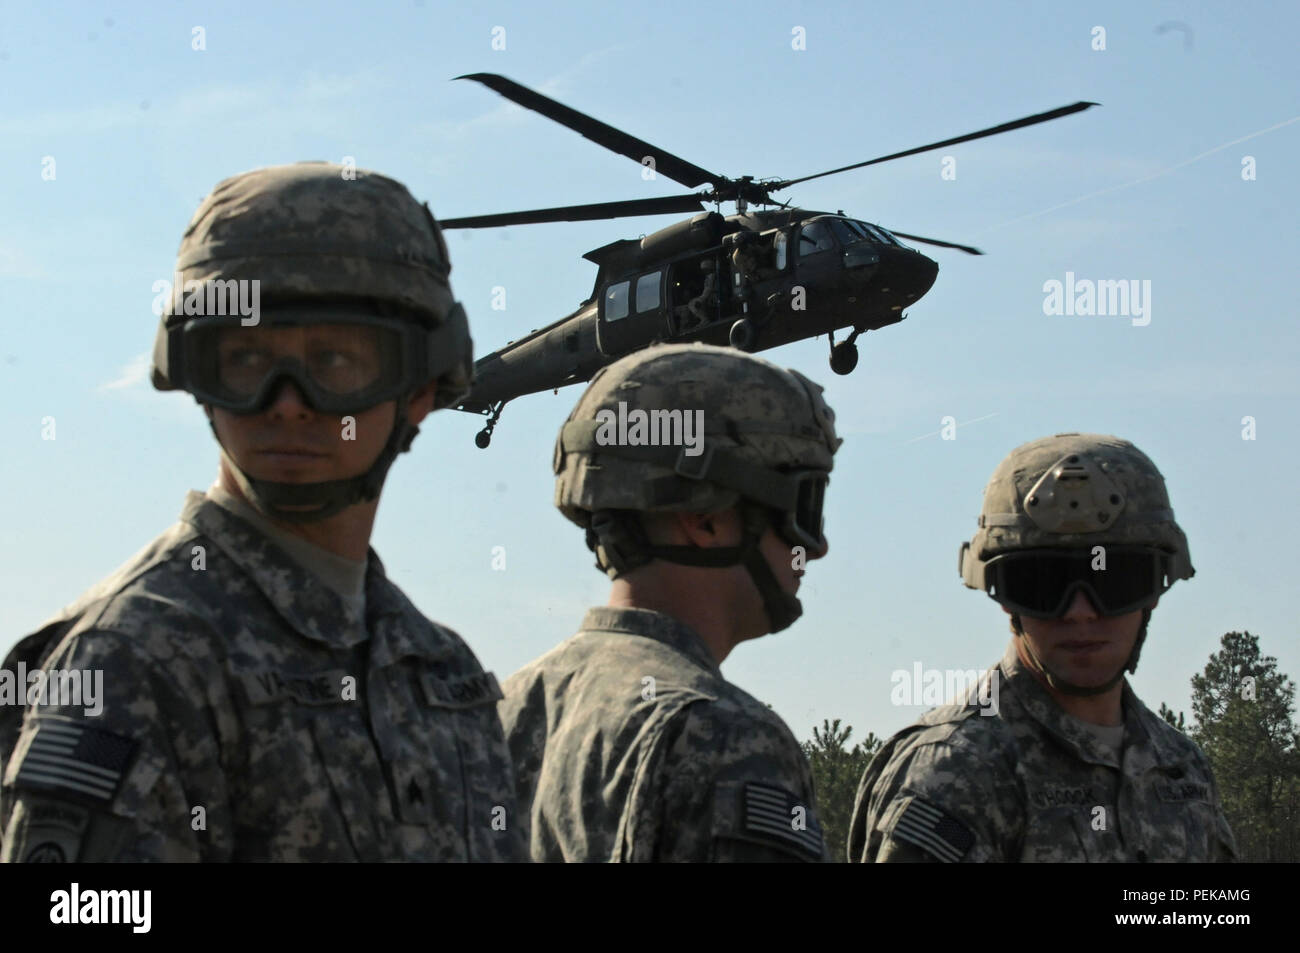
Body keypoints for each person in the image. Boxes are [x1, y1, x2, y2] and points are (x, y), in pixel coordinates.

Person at [0, 162, 526, 862]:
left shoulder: (441, 674)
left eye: (336, 360)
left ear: (422, 386)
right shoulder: (137, 657)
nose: (287, 400)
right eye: (245, 359)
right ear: (194, 376)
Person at [500, 343, 841, 862]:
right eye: (805, 509)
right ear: (705, 518)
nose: (816, 548)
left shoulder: (501, 711)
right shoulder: (721, 736)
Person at [847, 433, 1238, 862]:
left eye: (1115, 579)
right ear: (1000, 595)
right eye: (1044, 583)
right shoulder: (955, 769)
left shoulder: (1180, 767)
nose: (1080, 612)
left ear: (1157, 588)